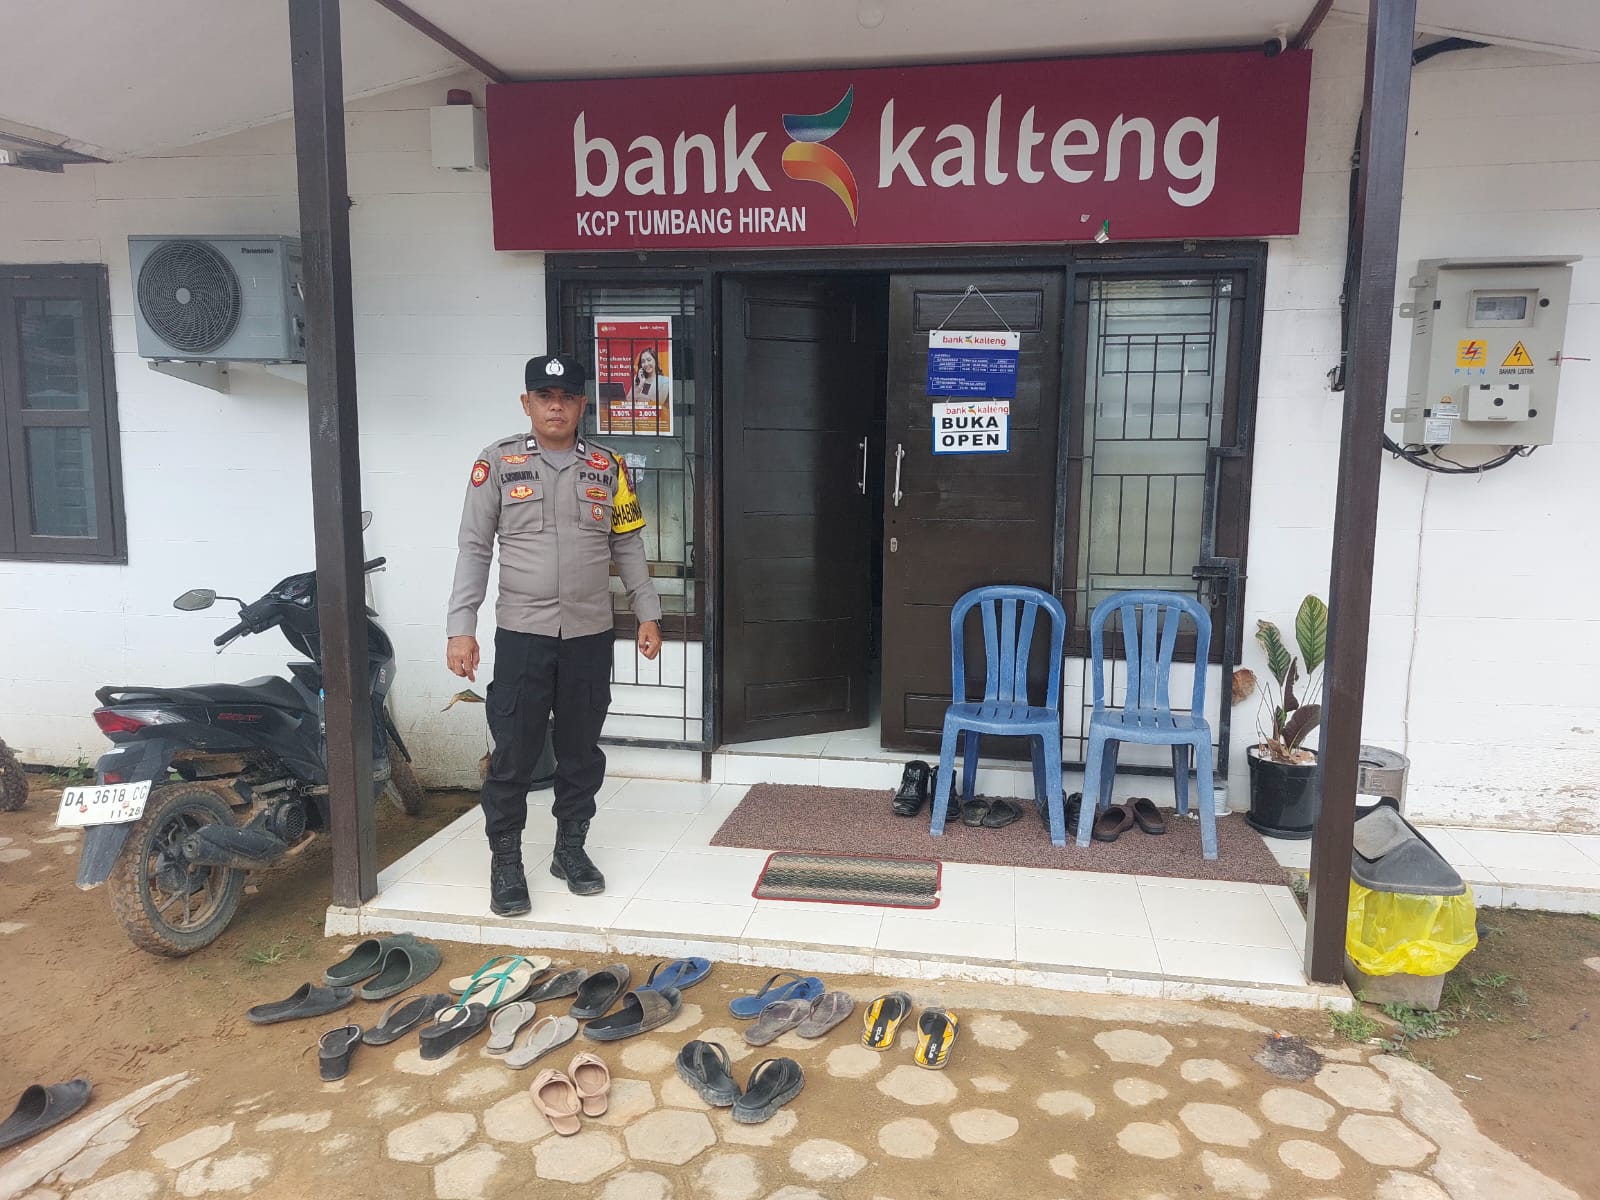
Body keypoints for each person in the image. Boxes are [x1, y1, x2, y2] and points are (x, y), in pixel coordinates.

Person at [447, 353, 663, 917]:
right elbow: (474, 548)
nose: (556, 406)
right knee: (514, 752)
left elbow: (627, 544)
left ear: (582, 405)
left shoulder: (609, 467)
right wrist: (461, 628)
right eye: (545, 396)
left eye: (567, 397)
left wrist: (647, 612)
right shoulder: (498, 463)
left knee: (579, 750)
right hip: (523, 634)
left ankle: (570, 850)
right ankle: (506, 862)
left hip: (590, 635)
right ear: (527, 403)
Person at [622, 346, 671, 433]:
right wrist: (641, 384)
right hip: (637, 423)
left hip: (655, 424)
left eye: (649, 360)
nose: (646, 364)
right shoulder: (637, 379)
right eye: (643, 361)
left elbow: (656, 404)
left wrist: (637, 397)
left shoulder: (665, 381)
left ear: (655, 361)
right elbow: (628, 399)